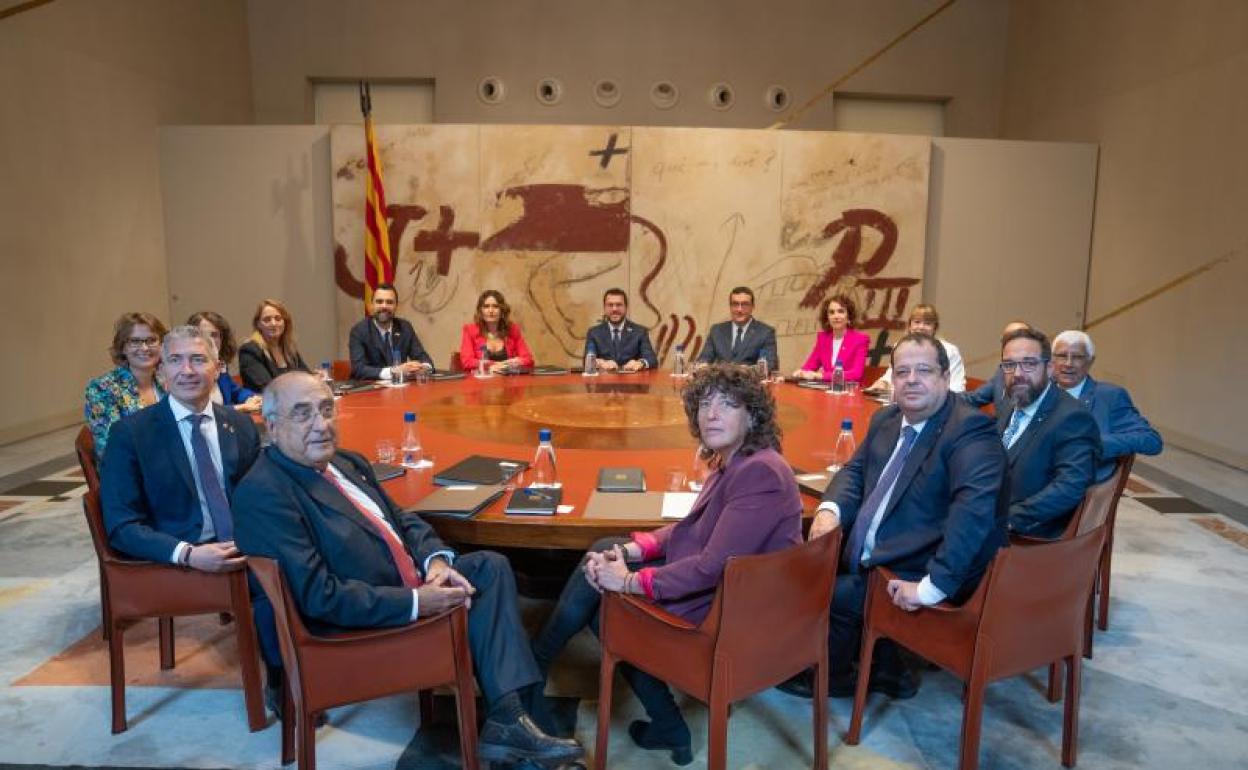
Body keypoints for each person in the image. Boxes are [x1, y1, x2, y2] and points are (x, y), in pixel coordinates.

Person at [232, 372, 582, 766]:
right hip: (355, 627)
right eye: (303, 413)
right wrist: (417, 601)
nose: (321, 424)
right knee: (488, 588)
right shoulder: (264, 492)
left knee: (491, 567)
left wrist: (435, 561)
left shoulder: (345, 462)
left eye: (327, 410)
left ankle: (511, 720)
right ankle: (522, 729)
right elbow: (319, 596)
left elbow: (403, 520)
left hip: (401, 582)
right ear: (272, 425)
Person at [530, 364, 802, 764]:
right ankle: (662, 724)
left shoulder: (758, 472)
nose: (711, 414)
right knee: (606, 549)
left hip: (732, 614)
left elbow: (710, 567)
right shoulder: (736, 461)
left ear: (752, 416)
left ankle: (536, 667)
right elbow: (693, 528)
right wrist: (634, 551)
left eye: (727, 405)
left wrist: (628, 582)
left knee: (607, 609)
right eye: (704, 404)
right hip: (728, 591)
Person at [779, 333, 1007, 701]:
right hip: (884, 548)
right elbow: (854, 472)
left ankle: (836, 676)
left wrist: (931, 588)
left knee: (831, 593)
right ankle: (888, 668)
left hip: (920, 567)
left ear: (946, 377)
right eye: (902, 372)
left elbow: (974, 515)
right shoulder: (888, 418)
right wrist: (829, 510)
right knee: (796, 562)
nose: (911, 380)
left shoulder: (971, 431)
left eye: (924, 371)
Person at [98, 325, 280, 695]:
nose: (187, 370)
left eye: (198, 359)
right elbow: (121, 525)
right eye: (175, 360)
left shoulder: (239, 424)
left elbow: (257, 496)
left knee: (303, 557)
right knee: (270, 581)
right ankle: (282, 681)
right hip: (177, 554)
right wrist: (188, 554)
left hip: (240, 542)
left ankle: (316, 666)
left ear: (217, 368)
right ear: (162, 370)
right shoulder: (131, 434)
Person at [997, 327, 1100, 539]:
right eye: (1009, 365)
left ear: (1050, 368)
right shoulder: (1011, 402)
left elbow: (1070, 485)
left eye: (1029, 364)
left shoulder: (1072, 417)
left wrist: (1008, 519)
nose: (1017, 374)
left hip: (1028, 537)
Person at [1053, 330, 1161, 480]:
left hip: (1079, 484)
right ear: (1051, 360)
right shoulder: (1038, 392)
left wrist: (1093, 443)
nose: (1068, 364)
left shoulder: (1109, 397)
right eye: (1062, 356)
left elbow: (1151, 440)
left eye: (1077, 357)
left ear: (1090, 361)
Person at [84, 312, 168, 458]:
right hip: (132, 467)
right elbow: (111, 450)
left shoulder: (169, 381)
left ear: (162, 345)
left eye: (151, 340)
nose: (144, 348)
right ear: (123, 347)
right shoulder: (102, 389)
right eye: (135, 341)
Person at [867, 304, 966, 393]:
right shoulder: (900, 348)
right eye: (917, 322)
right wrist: (883, 383)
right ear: (910, 325)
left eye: (927, 323)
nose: (921, 327)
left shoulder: (950, 351)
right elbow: (891, 375)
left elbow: (956, 389)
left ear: (935, 327)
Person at [348, 282, 434, 381]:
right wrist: (394, 371)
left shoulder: (405, 327)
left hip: (402, 387)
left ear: (396, 306)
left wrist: (422, 368)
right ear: (371, 305)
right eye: (379, 302)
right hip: (371, 388)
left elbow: (423, 358)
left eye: (389, 302)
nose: (384, 306)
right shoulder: (359, 331)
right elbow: (358, 369)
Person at [187, 311, 262, 413]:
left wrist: (251, 398)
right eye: (202, 335)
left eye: (214, 335)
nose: (209, 340)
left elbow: (235, 391)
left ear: (222, 339)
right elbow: (199, 410)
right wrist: (241, 408)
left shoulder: (219, 366)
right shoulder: (188, 370)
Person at [695, 286, 779, 371]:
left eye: (745, 304)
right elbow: (703, 360)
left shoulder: (765, 332)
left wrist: (743, 370)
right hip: (720, 379)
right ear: (730, 306)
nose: (739, 309)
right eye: (735, 304)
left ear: (753, 307)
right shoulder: (717, 331)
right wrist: (702, 366)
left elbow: (768, 365)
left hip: (750, 379)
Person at [792, 295, 870, 383]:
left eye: (841, 311)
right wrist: (800, 373)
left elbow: (856, 374)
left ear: (849, 317)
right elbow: (809, 366)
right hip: (826, 389)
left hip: (849, 389)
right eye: (831, 312)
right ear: (827, 318)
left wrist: (820, 375)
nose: (836, 316)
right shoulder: (823, 339)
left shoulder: (860, 340)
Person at [238, 299, 310, 391]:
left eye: (278, 319)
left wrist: (316, 378)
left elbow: (306, 376)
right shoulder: (250, 350)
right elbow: (268, 388)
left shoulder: (289, 349)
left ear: (285, 322)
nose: (273, 323)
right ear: (258, 324)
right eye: (267, 320)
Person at [458, 290, 534, 374]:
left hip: (507, 381)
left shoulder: (512, 330)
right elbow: (467, 362)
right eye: (486, 307)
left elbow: (528, 359)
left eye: (495, 306)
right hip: (481, 380)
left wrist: (512, 363)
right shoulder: (470, 330)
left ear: (502, 310)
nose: (491, 310)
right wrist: (493, 365)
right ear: (480, 311)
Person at [582, 288, 658, 372]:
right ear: (604, 308)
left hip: (632, 380)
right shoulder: (594, 333)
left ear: (626, 307)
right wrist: (601, 363)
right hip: (604, 380)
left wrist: (640, 363)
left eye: (619, 305)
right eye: (610, 305)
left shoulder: (640, 332)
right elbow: (587, 360)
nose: (614, 309)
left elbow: (652, 359)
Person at [964, 320, 1032, 408]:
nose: (1012, 344)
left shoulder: (1041, 374)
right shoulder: (1001, 372)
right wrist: (948, 397)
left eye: (1018, 339)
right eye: (1006, 340)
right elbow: (974, 398)